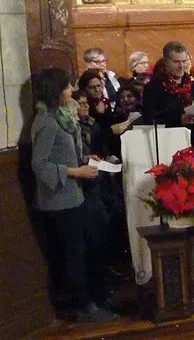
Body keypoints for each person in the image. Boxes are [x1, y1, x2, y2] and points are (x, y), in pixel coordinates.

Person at [31, 68, 117, 322]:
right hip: (60, 200)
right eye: (67, 87)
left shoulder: (61, 116)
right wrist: (76, 171)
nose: (71, 91)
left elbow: (63, 153)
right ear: (54, 91)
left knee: (85, 249)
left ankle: (94, 299)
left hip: (74, 196)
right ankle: (83, 306)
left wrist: (85, 159)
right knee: (74, 254)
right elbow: (40, 164)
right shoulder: (45, 122)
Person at [142, 41, 194, 128]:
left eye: (184, 61)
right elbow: (149, 121)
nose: (181, 66)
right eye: (176, 62)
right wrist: (178, 121)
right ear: (165, 62)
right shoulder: (152, 88)